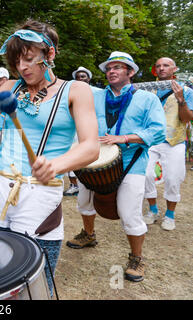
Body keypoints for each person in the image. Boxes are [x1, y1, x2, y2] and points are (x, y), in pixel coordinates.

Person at [0, 20, 99, 296]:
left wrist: (55, 165)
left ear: (49, 55)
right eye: (17, 61)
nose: (22, 67)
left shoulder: (76, 91)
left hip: (39, 196)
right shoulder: (10, 87)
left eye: (28, 59)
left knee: (30, 286)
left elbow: (90, 148)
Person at [66, 51, 166, 282]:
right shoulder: (96, 96)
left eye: (118, 67)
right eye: (109, 68)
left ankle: (137, 258)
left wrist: (124, 138)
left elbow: (159, 131)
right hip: (95, 160)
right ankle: (89, 234)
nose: (111, 71)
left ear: (130, 72)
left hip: (132, 162)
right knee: (83, 202)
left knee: (130, 213)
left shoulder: (147, 98)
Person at [143, 57, 193, 231]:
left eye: (166, 65)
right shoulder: (148, 91)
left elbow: (187, 118)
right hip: (152, 140)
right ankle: (153, 209)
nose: (162, 68)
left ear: (174, 69)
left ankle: (170, 215)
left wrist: (181, 100)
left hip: (174, 140)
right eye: (158, 66)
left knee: (173, 178)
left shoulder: (186, 90)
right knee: (145, 174)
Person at [63, 67, 100, 196]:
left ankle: (92, 184)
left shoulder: (98, 92)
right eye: (78, 77)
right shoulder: (69, 92)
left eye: (83, 76)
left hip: (91, 129)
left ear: (89, 78)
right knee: (72, 154)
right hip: (73, 129)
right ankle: (74, 185)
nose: (80, 78)